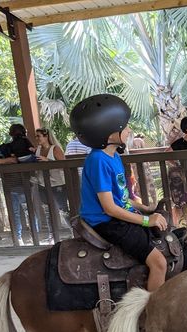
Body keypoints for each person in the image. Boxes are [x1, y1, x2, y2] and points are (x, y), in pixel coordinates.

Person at [72, 94, 168, 292]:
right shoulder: (98, 161)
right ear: (109, 134)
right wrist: (145, 221)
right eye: (124, 127)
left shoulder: (113, 155)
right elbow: (109, 208)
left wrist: (144, 208)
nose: (129, 130)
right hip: (106, 222)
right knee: (159, 263)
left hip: (115, 216)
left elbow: (121, 198)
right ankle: (152, 316)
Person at [0, 124, 39, 244]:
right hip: (21, 183)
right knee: (26, 211)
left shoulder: (7, 148)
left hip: (15, 184)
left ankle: (20, 237)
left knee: (18, 212)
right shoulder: (25, 145)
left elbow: (14, 159)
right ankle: (30, 236)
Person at [32, 128, 68, 235]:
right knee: (47, 210)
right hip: (42, 183)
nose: (37, 138)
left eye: (39, 136)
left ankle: (74, 231)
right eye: (36, 136)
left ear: (46, 136)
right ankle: (52, 234)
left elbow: (64, 165)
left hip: (57, 183)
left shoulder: (55, 149)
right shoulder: (38, 149)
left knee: (63, 209)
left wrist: (48, 161)